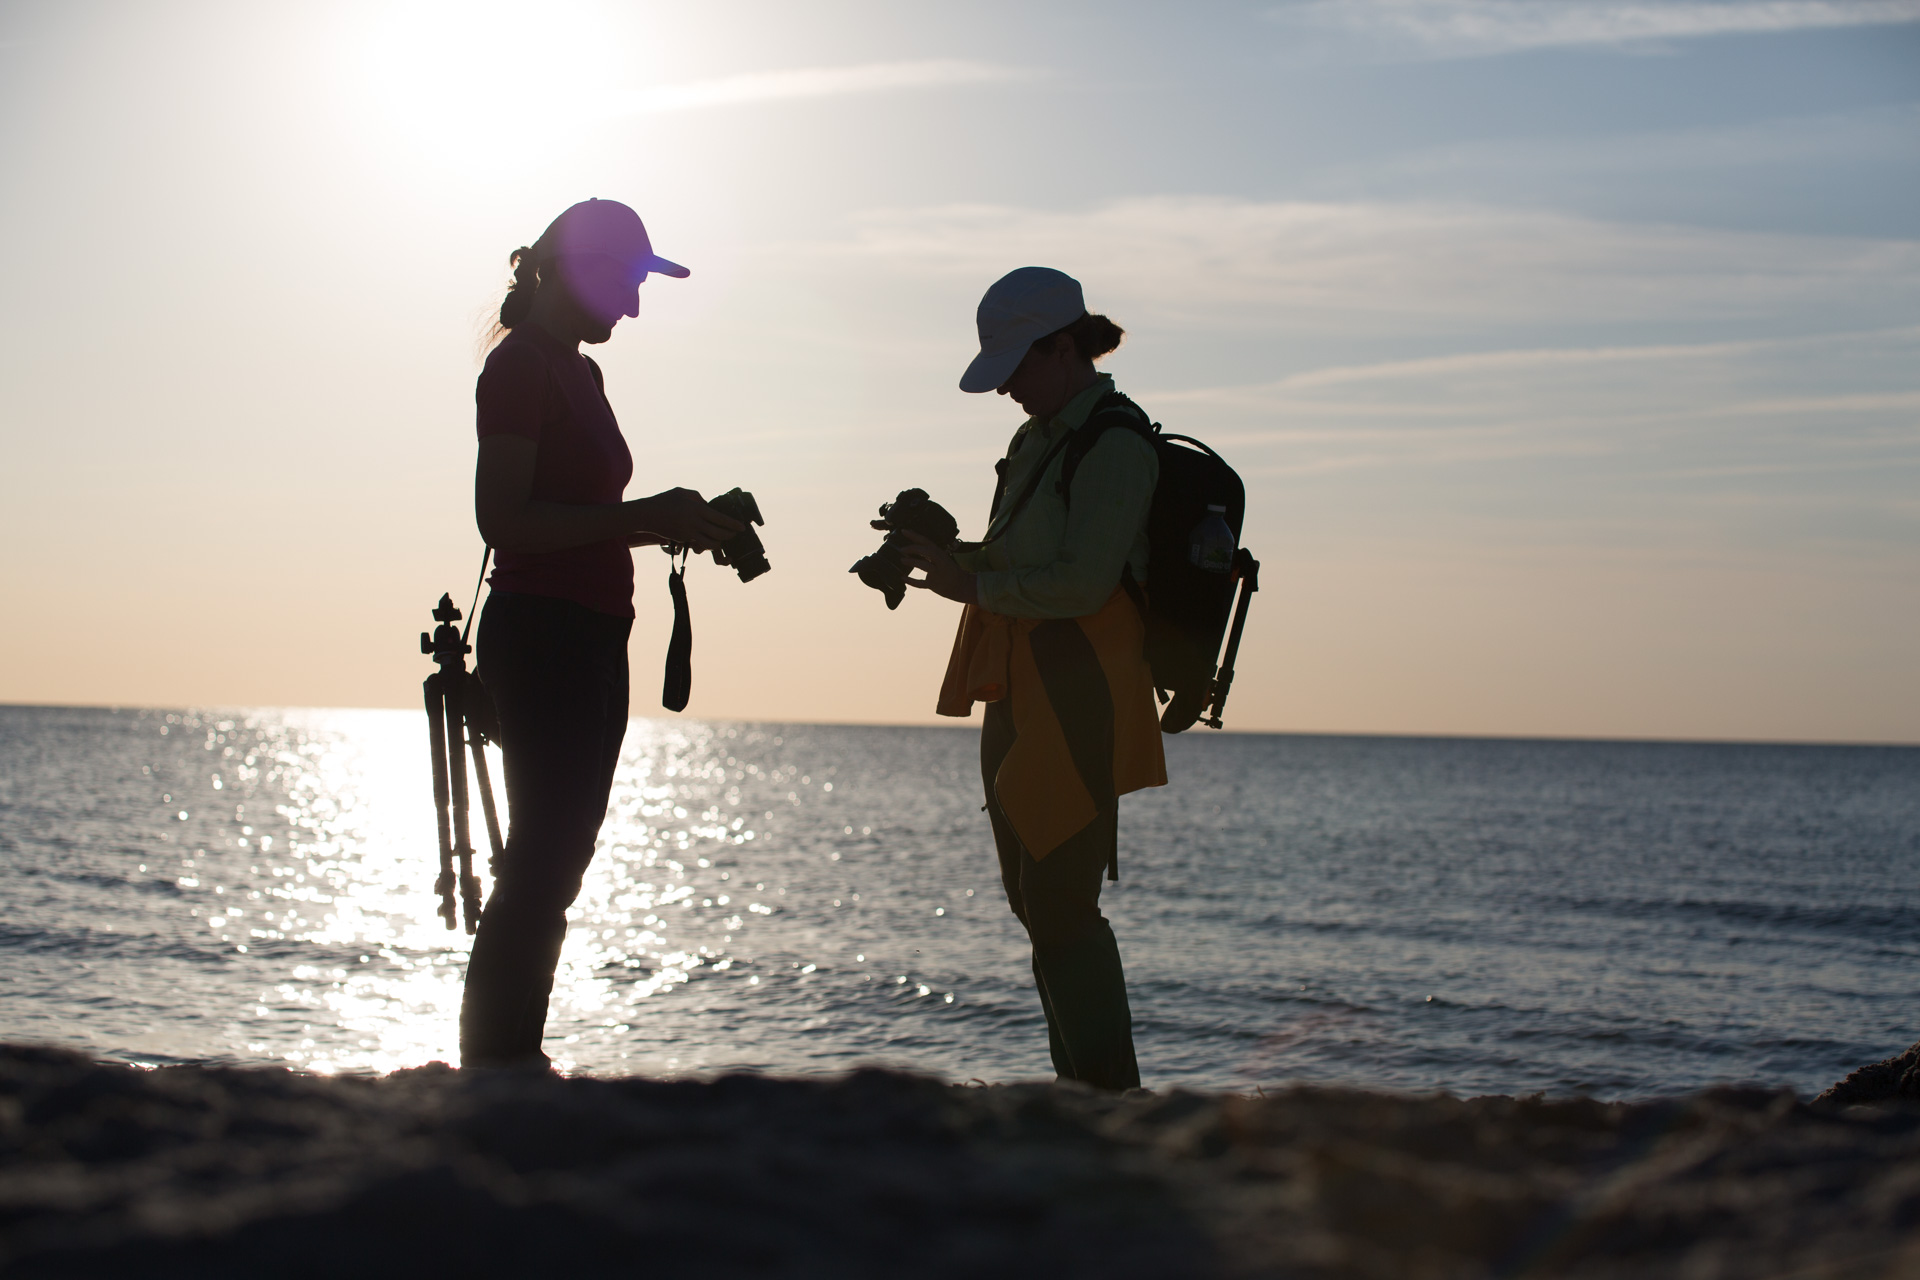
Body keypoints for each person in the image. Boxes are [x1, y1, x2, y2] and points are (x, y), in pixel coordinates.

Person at [461, 198, 742, 1069]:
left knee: (560, 861)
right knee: (542, 863)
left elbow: (585, 512)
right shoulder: (519, 370)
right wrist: (645, 517)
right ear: (575, 270)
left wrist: (676, 519)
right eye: (625, 282)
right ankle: (494, 1068)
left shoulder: (582, 372)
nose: (632, 306)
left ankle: (516, 1060)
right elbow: (501, 521)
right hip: (541, 634)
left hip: (593, 634)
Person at [900, 267, 1167, 1091]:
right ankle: (1084, 1092)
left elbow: (1082, 583)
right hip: (1017, 688)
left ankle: (1110, 1095)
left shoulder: (1117, 442)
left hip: (1082, 693)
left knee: (1060, 906)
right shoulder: (1035, 440)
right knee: (1034, 904)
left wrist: (971, 585)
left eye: (1019, 365)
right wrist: (940, 558)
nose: (1009, 386)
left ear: (1064, 347)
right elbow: (1023, 563)